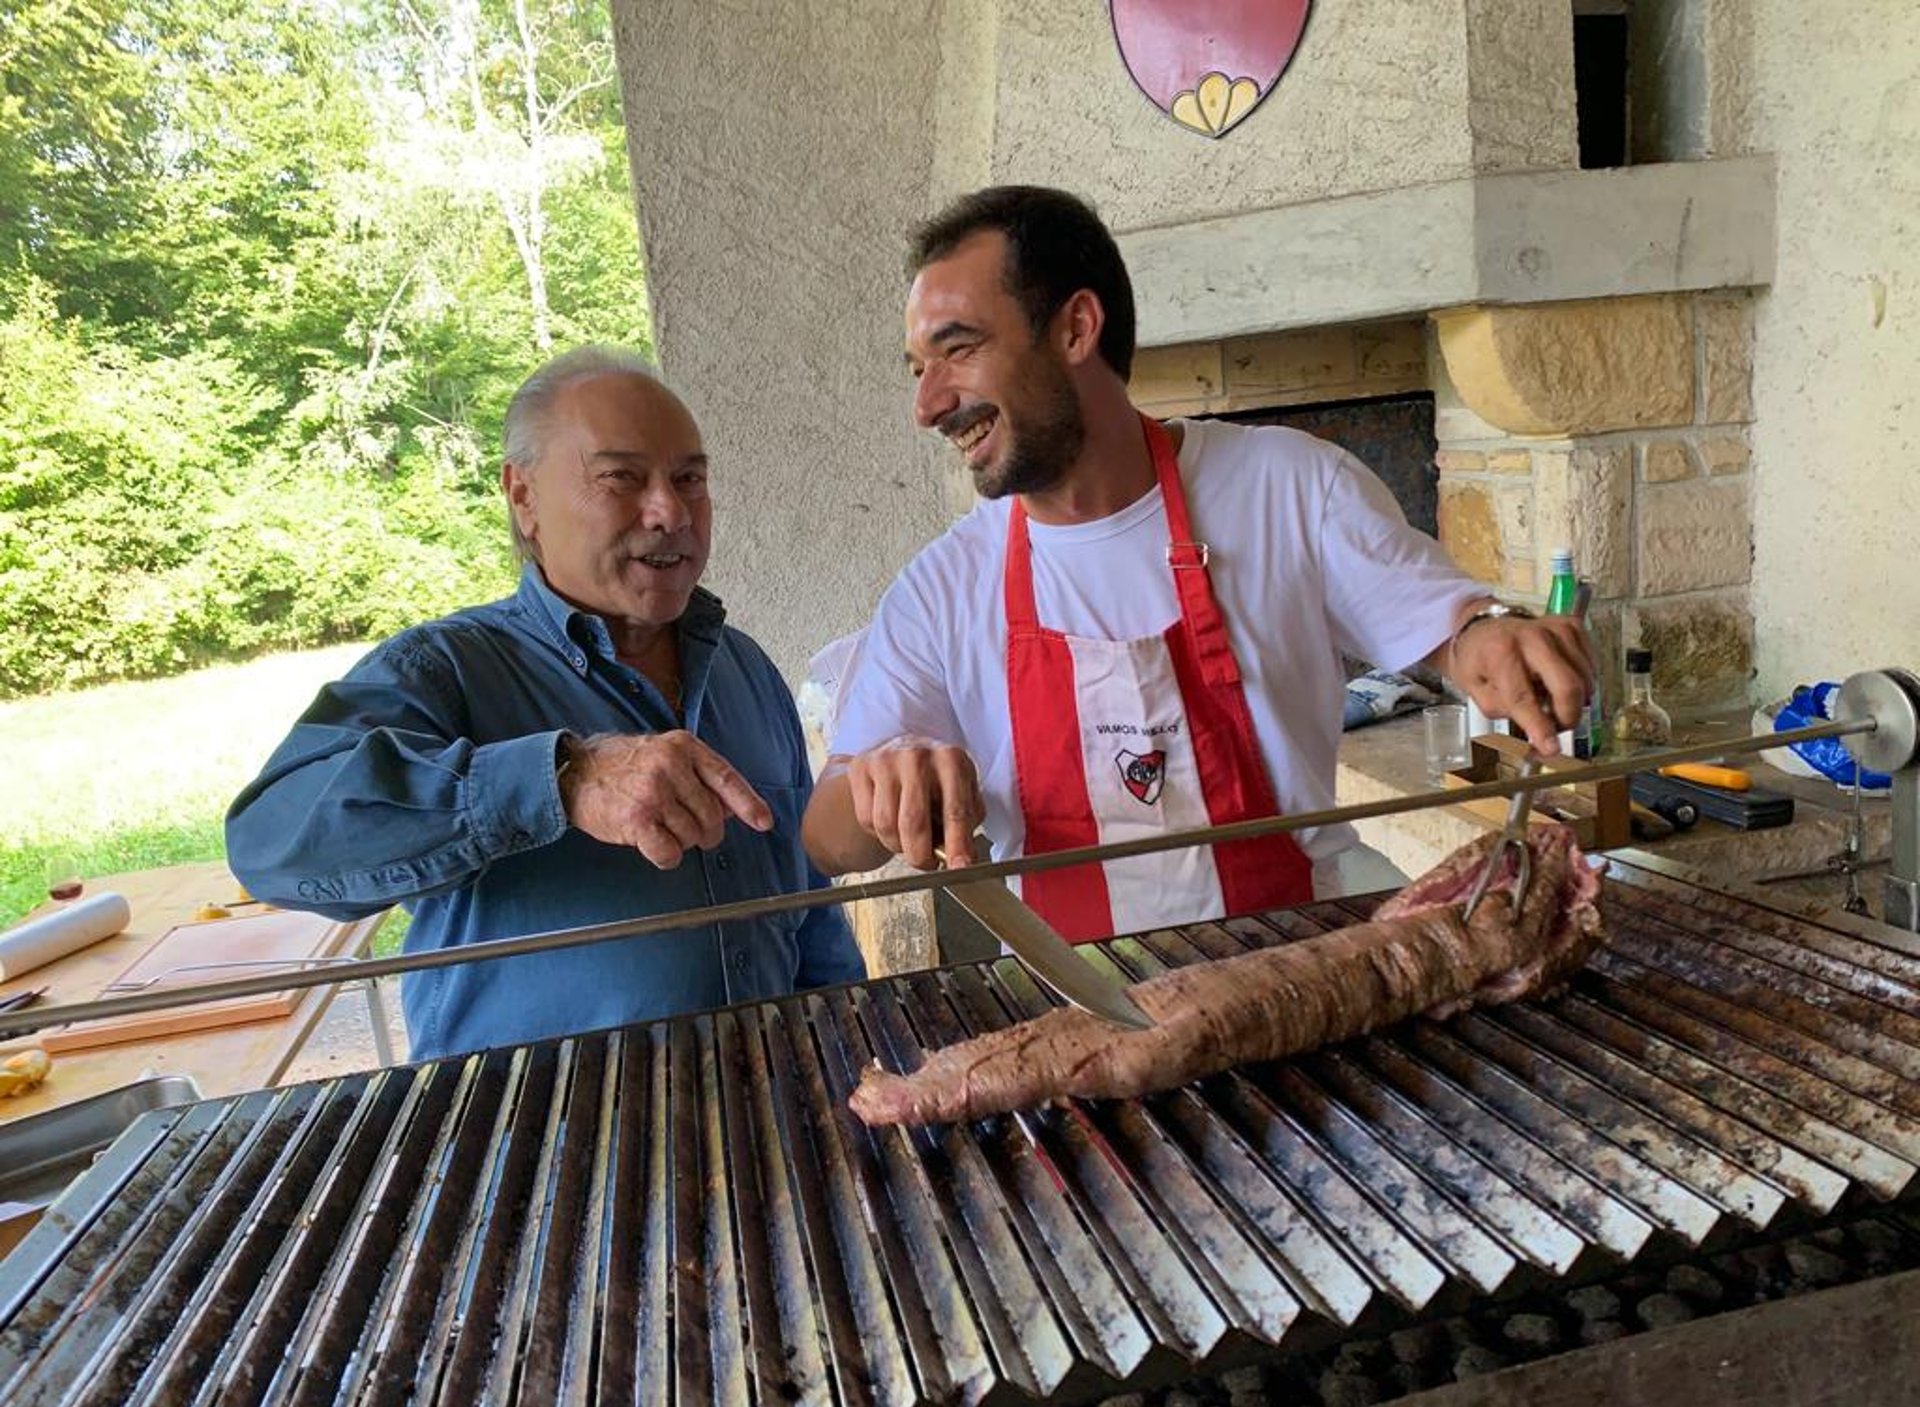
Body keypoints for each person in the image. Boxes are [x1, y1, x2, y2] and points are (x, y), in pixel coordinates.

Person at [802, 186, 1593, 943]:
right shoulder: (943, 587)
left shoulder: (1289, 486)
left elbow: (1454, 632)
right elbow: (827, 839)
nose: (929, 404)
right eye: (918, 369)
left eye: (959, 351)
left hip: (1301, 970)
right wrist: (876, 788)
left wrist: (1491, 635)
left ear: (1077, 328)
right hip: (1074, 1010)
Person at [228, 346, 863, 1058]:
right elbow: (270, 843)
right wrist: (565, 778)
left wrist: (853, 1051)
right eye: (622, 478)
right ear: (523, 498)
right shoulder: (445, 670)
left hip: (768, 1126)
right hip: (545, 1146)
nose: (670, 511)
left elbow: (806, 911)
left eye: (690, 479)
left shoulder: (746, 668)